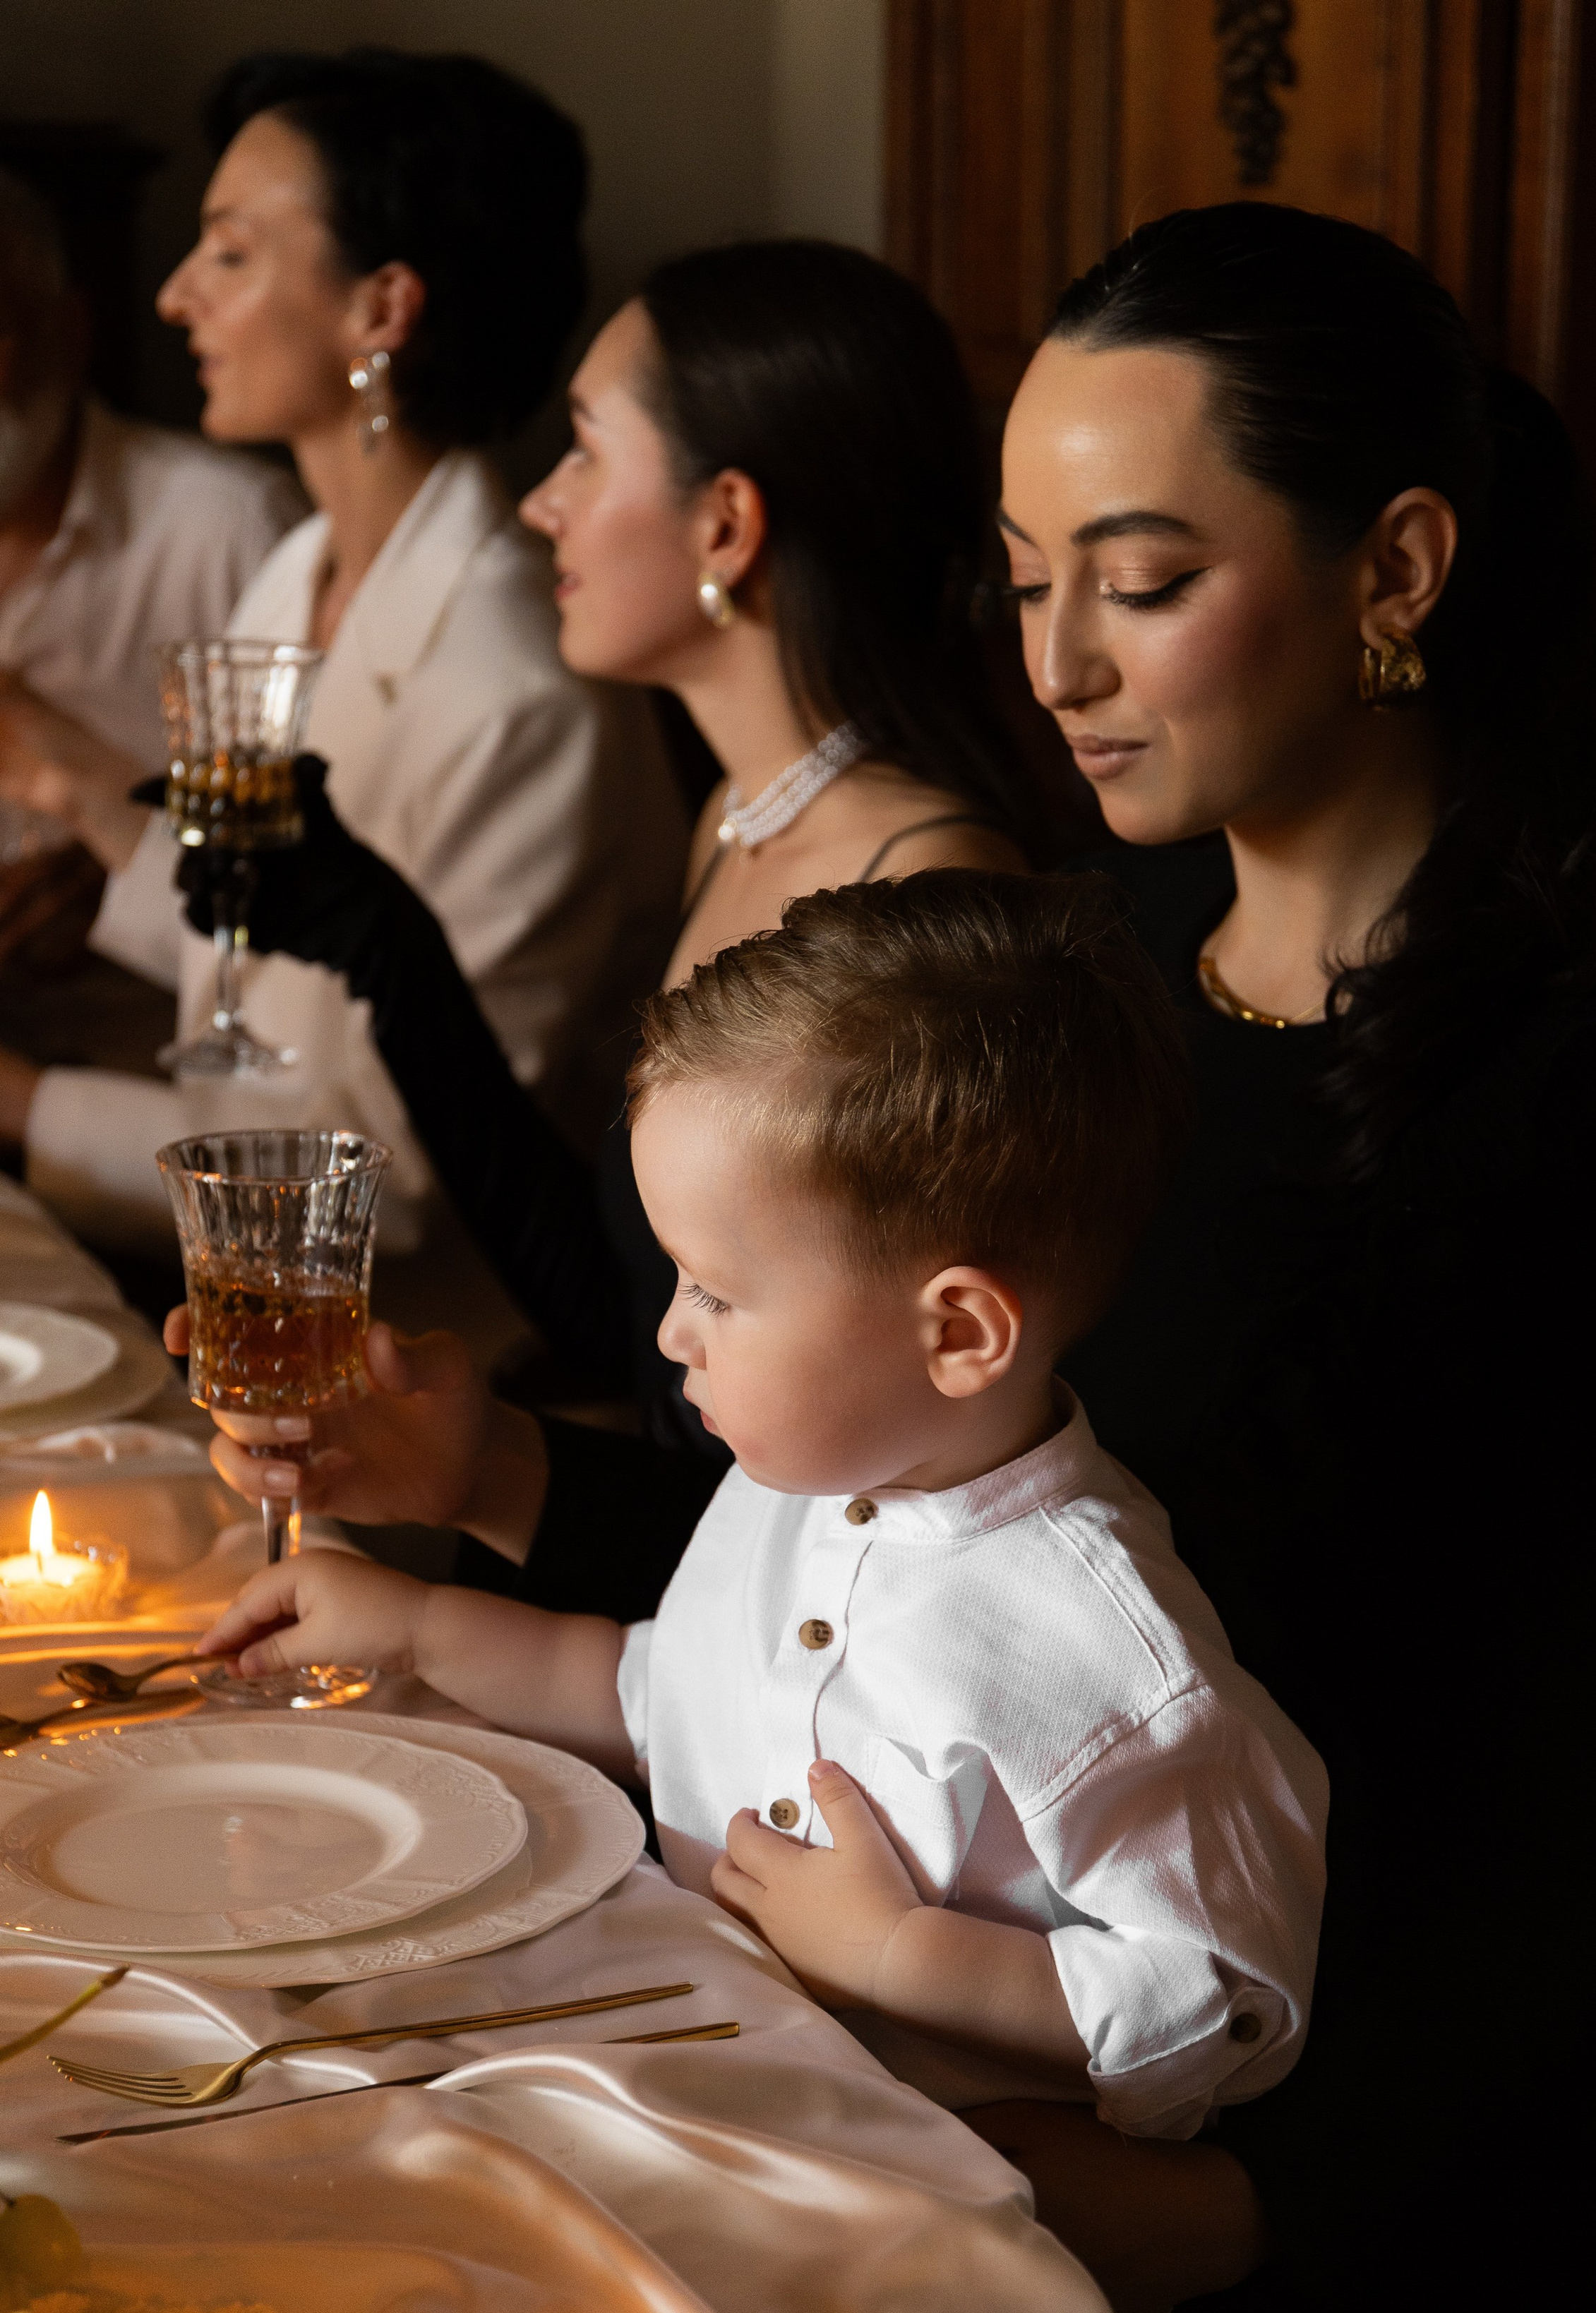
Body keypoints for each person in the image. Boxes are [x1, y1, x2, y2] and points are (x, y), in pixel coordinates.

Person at [181, 202, 1596, 2313]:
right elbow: (923, 1560)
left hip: (1407, 2167)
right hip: (974, 2023)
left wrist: (1216, 2197)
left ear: (1399, 569)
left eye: (1136, 584)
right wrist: (497, 1484)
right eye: (1025, 576)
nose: (1049, 664)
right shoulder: (1092, 965)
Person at [194, 868, 1326, 2236]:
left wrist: (905, 1955)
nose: (672, 1335)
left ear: (957, 1334)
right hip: (703, 2062)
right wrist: (420, 1625)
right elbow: (642, 1686)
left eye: (717, 1293)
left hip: (918, 2204)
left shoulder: (1106, 1658)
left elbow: (1221, 2000)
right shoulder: (794, 1484)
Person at [162, 234, 1030, 1596]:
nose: (538, 508)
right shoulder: (745, 818)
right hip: (661, 1602)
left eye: (583, 453)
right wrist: (396, 956)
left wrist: (488, 1510)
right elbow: (633, 1310)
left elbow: (864, 1550)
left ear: (726, 526)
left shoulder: (922, 897)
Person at [0, 48, 686, 1276]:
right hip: (247, 1267)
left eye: (228, 251)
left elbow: (400, 1183)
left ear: (382, 308)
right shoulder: (302, 567)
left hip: (445, 1343)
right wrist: (63, 777)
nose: (171, 296)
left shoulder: (518, 689)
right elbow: (269, 958)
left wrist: (23, 1103)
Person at [0, 169, 302, 996]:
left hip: (169, 1038)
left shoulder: (232, 529)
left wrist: (129, 862)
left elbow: (322, 890)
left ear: (70, 329)